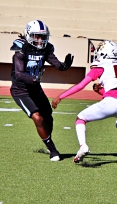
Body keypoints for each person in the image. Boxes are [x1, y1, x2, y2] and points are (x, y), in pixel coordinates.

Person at [51, 40, 117, 166]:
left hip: (111, 102)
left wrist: (60, 96)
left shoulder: (100, 65)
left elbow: (81, 85)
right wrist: (102, 91)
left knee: (80, 118)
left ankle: (83, 146)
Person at [10, 20, 74, 162]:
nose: (39, 40)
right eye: (36, 36)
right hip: (20, 90)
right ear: (28, 34)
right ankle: (52, 149)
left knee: (48, 116)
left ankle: (47, 141)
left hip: (35, 88)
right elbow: (19, 74)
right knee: (37, 117)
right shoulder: (21, 48)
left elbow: (56, 64)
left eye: (42, 36)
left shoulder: (45, 49)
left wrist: (64, 66)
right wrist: (33, 79)